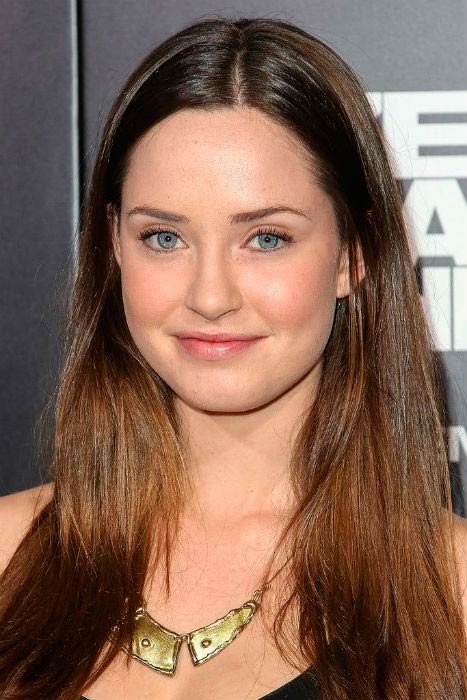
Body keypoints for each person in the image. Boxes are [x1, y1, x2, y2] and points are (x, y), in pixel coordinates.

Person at [1, 15, 466, 700]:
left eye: (266, 238)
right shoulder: (7, 553)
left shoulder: (450, 592)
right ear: (115, 244)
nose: (210, 296)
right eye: (164, 237)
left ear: (352, 254)